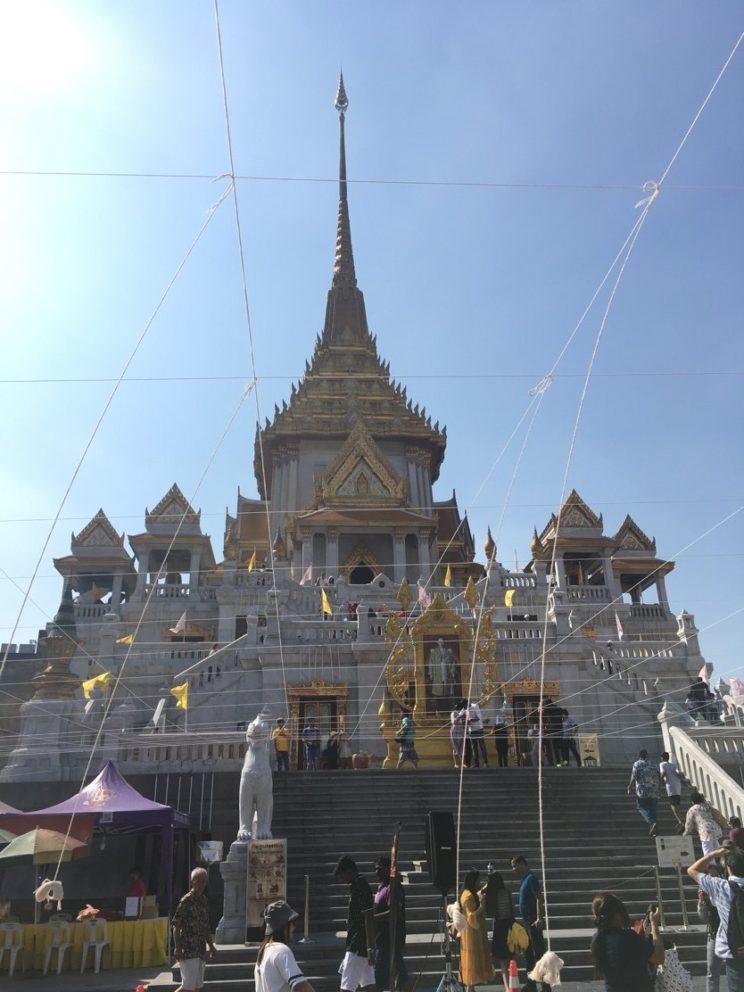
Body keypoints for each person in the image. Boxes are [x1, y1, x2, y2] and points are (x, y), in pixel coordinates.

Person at [688, 844, 744, 990]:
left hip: (734, 951)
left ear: (729, 869)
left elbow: (692, 870)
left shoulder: (720, 887)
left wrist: (713, 854)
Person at [590, 892, 664, 992]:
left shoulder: (597, 939)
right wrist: (654, 926)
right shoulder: (628, 937)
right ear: (617, 915)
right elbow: (659, 957)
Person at [334, 855, 376, 992]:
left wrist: (370, 947)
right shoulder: (357, 885)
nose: (342, 880)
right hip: (361, 944)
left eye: (342, 875)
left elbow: (368, 916)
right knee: (369, 985)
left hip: (357, 945)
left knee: (346, 988)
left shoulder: (360, 885)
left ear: (349, 871)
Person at [255, 899, 316, 992]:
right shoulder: (281, 950)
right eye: (292, 923)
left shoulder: (264, 950)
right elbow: (301, 986)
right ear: (283, 926)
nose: (294, 927)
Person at [172, 867, 217, 992]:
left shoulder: (203, 900)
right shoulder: (186, 901)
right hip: (188, 948)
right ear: (192, 882)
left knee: (197, 987)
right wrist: (177, 948)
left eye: (204, 881)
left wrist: (211, 946)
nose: (201, 884)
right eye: (198, 881)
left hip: (200, 948)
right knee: (187, 987)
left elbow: (205, 926)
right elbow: (176, 925)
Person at [510, 855, 550, 992]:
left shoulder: (531, 878)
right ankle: (531, 983)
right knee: (528, 953)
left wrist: (540, 918)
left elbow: (539, 897)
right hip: (526, 920)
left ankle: (545, 986)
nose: (513, 869)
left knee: (538, 953)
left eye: (515, 866)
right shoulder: (524, 880)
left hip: (533, 920)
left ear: (522, 864)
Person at [372, 856, 407, 992]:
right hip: (381, 937)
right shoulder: (382, 887)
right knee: (400, 973)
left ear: (388, 870)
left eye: (379, 869)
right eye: (375, 869)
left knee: (379, 976)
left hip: (390, 938)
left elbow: (393, 914)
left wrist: (372, 918)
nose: (376, 872)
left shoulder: (394, 888)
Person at [457, 869, 495, 992]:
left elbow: (476, 895)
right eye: (478, 880)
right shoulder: (467, 896)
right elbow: (471, 916)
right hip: (471, 934)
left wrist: (484, 888)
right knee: (472, 962)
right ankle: (470, 989)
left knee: (473, 965)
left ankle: (471, 989)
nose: (479, 883)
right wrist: (482, 907)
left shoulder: (467, 893)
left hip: (473, 933)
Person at [484, 867, 514, 992]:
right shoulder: (507, 891)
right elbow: (513, 908)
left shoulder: (490, 894)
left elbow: (489, 912)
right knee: (509, 957)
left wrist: (487, 886)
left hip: (499, 926)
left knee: (502, 959)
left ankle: (507, 986)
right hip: (509, 924)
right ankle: (510, 985)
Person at [697, 862, 723, 992]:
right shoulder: (706, 895)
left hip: (729, 934)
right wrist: (701, 902)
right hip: (713, 934)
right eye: (710, 877)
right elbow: (704, 918)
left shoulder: (727, 889)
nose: (713, 879)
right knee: (712, 970)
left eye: (716, 876)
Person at [627, 749, 660, 836]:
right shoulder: (653, 763)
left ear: (639, 756)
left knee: (641, 808)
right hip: (654, 789)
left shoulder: (637, 764)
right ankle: (654, 830)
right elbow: (658, 775)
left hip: (643, 791)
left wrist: (629, 787)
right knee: (652, 810)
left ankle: (652, 822)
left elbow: (634, 777)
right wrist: (659, 788)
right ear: (647, 755)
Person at [685, 790, 728, 856]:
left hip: (705, 830)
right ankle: (724, 857)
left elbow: (689, 823)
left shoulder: (692, 809)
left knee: (707, 848)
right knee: (715, 844)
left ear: (693, 801)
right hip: (715, 827)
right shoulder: (707, 805)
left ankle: (711, 864)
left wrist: (686, 832)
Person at [428, 638, 458, 713]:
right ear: (437, 643)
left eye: (442, 642)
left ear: (443, 643)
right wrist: (431, 674)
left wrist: (452, 672)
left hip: (446, 672)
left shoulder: (447, 651)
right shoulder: (434, 652)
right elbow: (431, 664)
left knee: (446, 692)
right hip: (438, 673)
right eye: (439, 642)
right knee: (439, 693)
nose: (441, 643)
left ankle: (447, 709)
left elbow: (452, 662)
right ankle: (439, 709)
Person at [658, 751, 684, 830]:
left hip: (670, 786)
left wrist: (660, 782)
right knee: (677, 803)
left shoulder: (662, 764)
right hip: (677, 785)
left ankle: (680, 820)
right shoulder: (673, 765)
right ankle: (681, 819)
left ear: (662, 758)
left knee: (673, 804)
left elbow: (663, 773)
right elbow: (678, 773)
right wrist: (683, 781)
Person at [467, 700, 489, 768]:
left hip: (479, 729)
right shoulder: (464, 709)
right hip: (471, 730)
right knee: (474, 748)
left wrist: (468, 720)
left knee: (482, 746)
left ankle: (485, 762)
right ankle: (476, 764)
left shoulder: (475, 706)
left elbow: (478, 718)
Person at [450, 699, 468, 769]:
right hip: (455, 732)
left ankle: (463, 763)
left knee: (462, 748)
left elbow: (465, 722)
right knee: (456, 748)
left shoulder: (465, 713)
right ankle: (456, 763)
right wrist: (460, 715)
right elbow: (453, 722)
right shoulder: (454, 713)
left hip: (461, 731)